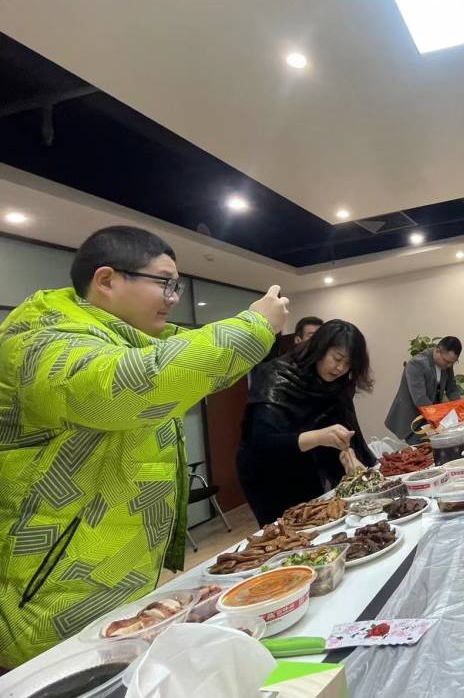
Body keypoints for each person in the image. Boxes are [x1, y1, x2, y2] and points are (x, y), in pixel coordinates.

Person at [0, 226, 285, 668]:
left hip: (113, 577)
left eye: (177, 287)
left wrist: (251, 334)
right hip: (49, 594)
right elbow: (136, 384)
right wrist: (255, 325)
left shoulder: (129, 338)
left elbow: (196, 365)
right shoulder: (40, 342)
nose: (173, 298)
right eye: (165, 283)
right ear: (107, 280)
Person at [237, 320, 376, 525]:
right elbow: (262, 443)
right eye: (337, 358)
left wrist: (350, 455)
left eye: (348, 364)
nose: (340, 368)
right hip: (268, 472)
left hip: (308, 461)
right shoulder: (276, 375)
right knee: (289, 527)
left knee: (320, 518)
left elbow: (344, 424)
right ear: (320, 348)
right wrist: (319, 437)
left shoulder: (337, 382)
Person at [385, 336, 463, 440]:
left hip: (430, 415)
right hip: (412, 420)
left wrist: (461, 409)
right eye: (447, 361)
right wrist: (440, 419)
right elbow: (420, 399)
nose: (449, 365)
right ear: (438, 350)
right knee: (426, 447)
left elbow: (452, 389)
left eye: (453, 363)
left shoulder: (446, 364)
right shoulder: (416, 364)